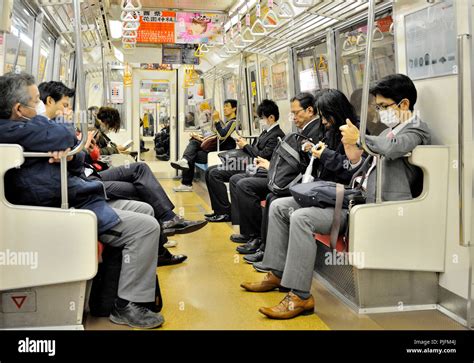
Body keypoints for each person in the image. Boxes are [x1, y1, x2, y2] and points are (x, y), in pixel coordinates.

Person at [241, 74, 431, 319]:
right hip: (355, 196)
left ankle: (300, 297)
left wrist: (358, 140)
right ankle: (277, 273)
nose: (381, 112)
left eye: (384, 106)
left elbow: (394, 149)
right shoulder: (386, 133)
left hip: (372, 206)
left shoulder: (415, 130)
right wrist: (353, 155)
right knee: (279, 207)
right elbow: (360, 167)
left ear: (404, 104)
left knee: (301, 218)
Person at [0, 73, 163, 328]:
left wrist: (69, 154)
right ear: (19, 110)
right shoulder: (9, 130)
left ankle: (105, 297)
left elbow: (77, 159)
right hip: (59, 207)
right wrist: (65, 139)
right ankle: (127, 304)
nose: (41, 106)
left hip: (78, 195)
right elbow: (66, 136)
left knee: (144, 208)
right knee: (146, 228)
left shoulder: (30, 130)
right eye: (36, 101)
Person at [39, 81, 207, 265]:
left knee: (140, 170)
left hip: (89, 174)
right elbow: (77, 161)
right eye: (64, 106)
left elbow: (78, 161)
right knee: (139, 190)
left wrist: (83, 150)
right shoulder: (49, 131)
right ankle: (161, 240)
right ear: (48, 102)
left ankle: (168, 222)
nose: (69, 111)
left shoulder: (60, 128)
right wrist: (84, 149)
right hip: (85, 181)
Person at [228, 92, 324, 258]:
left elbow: (303, 165)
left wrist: (270, 166)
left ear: (310, 110)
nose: (293, 117)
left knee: (252, 187)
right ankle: (256, 239)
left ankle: (260, 240)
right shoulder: (302, 131)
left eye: (296, 113)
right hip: (284, 173)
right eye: (291, 113)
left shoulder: (311, 133)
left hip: (295, 179)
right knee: (239, 180)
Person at [204, 99, 285, 222]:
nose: (260, 121)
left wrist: (246, 145)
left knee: (215, 173)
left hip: (253, 166)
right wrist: (245, 145)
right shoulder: (265, 132)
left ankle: (225, 212)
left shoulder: (276, 135)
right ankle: (219, 210)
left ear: (271, 118)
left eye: (261, 118)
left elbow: (262, 156)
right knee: (209, 171)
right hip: (246, 162)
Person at [171, 99, 238, 192]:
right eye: (224, 106)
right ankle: (185, 163)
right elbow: (215, 137)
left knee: (191, 154)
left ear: (234, 108)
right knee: (193, 146)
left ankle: (186, 182)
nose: (224, 108)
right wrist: (200, 137)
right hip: (214, 148)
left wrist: (217, 121)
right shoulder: (226, 122)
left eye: (227, 106)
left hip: (221, 152)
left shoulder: (234, 122)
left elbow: (222, 136)